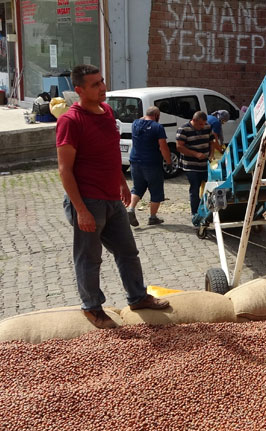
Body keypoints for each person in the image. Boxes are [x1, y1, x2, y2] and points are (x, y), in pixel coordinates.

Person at [56, 64, 169, 329]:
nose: (102, 87)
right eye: (95, 85)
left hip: (112, 199)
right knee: (89, 258)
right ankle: (92, 308)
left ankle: (138, 297)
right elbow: (64, 170)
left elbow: (110, 154)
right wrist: (80, 209)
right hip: (88, 201)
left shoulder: (107, 111)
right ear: (79, 90)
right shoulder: (70, 121)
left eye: (102, 81)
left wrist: (122, 183)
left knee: (128, 251)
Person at [126, 106, 172, 226]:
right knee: (156, 190)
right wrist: (168, 162)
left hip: (135, 161)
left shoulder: (135, 123)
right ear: (157, 116)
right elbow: (163, 147)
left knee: (137, 188)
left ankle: (131, 209)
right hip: (152, 163)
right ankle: (152, 217)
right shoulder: (158, 127)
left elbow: (143, 118)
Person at [176, 111, 218, 226]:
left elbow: (212, 141)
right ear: (193, 121)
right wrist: (195, 154)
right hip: (191, 166)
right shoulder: (183, 129)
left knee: (211, 187)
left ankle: (210, 210)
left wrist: (211, 154)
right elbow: (179, 147)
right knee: (194, 189)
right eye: (200, 124)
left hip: (205, 164)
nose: (202, 126)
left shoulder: (207, 127)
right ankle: (195, 213)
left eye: (204, 124)